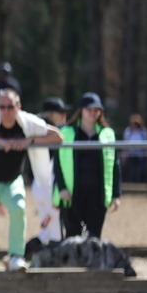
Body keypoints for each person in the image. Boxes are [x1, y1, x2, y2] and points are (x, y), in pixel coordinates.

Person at [0, 88, 62, 273]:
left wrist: (28, 141)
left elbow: (57, 135)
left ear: (19, 106)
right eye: (2, 107)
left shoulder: (28, 122)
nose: (6, 111)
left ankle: (16, 256)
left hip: (12, 179)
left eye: (10, 107)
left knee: (18, 208)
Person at [53, 92, 120, 239]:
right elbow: (57, 164)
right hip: (72, 194)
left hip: (97, 194)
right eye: (89, 109)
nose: (93, 113)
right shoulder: (66, 132)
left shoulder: (107, 134)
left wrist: (116, 194)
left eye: (96, 110)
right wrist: (62, 188)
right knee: (72, 238)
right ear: (81, 110)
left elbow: (114, 165)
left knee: (94, 239)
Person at [29, 97, 72, 249]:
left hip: (39, 185)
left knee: (46, 232)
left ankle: (21, 254)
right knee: (55, 234)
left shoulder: (35, 129)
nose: (64, 115)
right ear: (51, 114)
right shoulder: (52, 132)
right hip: (49, 186)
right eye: (60, 112)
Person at [122, 113, 147, 183]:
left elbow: (146, 144)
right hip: (131, 155)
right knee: (132, 172)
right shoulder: (128, 131)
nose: (133, 124)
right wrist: (124, 155)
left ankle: (141, 186)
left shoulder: (143, 131)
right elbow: (125, 143)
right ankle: (132, 187)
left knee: (141, 171)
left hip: (141, 155)